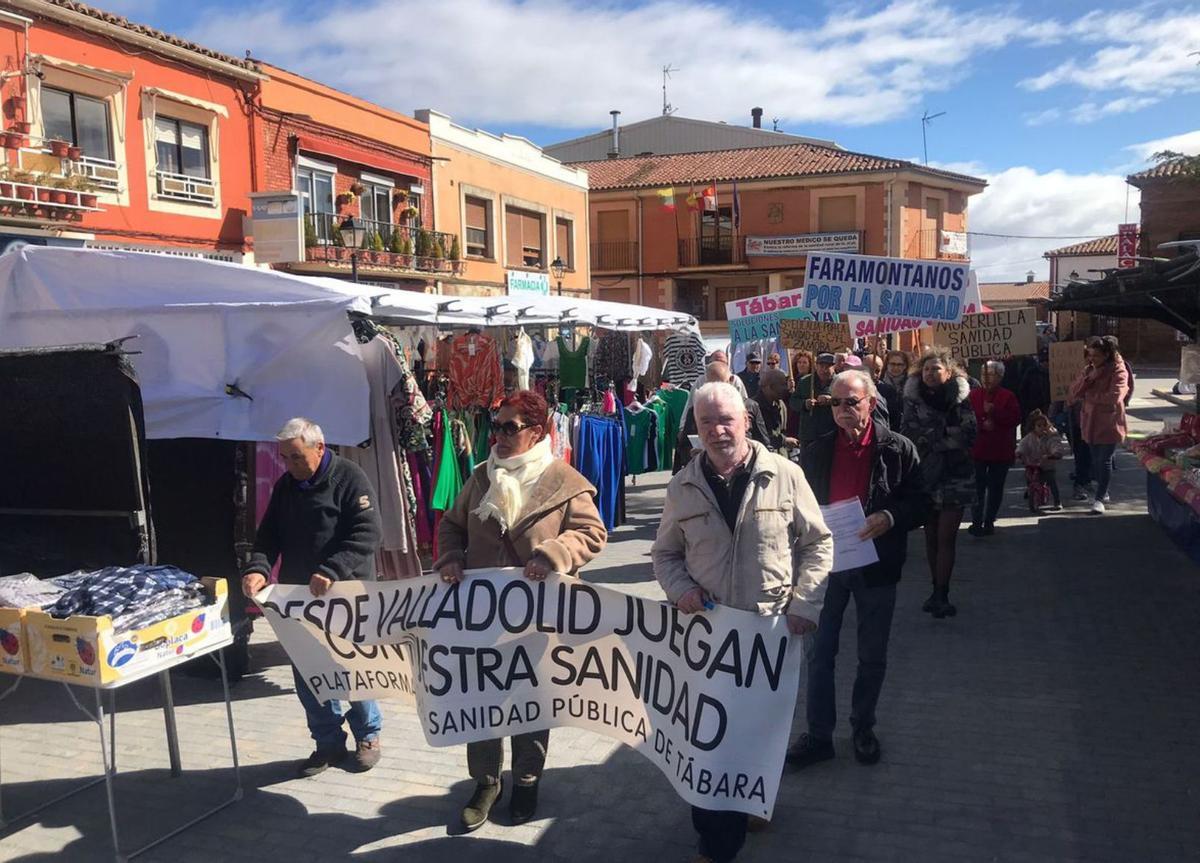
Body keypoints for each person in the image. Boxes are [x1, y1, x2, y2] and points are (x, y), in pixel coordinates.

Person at [653, 381, 832, 863]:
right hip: (707, 636)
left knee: (760, 732)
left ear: (746, 421)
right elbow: (665, 554)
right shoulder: (682, 485)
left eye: (726, 419)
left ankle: (754, 799)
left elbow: (818, 543)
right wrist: (681, 590)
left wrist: (805, 603)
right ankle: (715, 845)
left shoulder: (785, 474)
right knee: (709, 740)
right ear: (695, 427)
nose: (717, 429)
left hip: (768, 632)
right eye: (706, 421)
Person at [435, 390, 608, 830]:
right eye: (497, 425)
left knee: (531, 701)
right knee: (481, 698)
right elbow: (452, 524)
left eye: (510, 427)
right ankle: (486, 782)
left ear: (537, 431)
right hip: (482, 615)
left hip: (538, 618)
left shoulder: (565, 481)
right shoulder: (480, 478)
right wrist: (452, 556)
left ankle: (527, 779)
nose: (499, 435)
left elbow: (592, 533)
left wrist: (554, 553)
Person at [789, 370, 928, 770]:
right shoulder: (817, 450)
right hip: (826, 567)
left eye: (851, 402)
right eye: (835, 403)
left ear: (871, 402)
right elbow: (798, 507)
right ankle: (819, 736)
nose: (843, 410)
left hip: (876, 565)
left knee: (871, 654)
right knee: (820, 655)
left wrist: (890, 515)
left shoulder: (898, 449)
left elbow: (921, 501)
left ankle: (863, 727)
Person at [241, 418, 384, 777]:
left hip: (345, 595)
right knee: (309, 672)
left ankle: (368, 736)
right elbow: (268, 534)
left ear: (319, 448)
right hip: (299, 598)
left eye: (296, 457)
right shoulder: (287, 485)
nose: (290, 465)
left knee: (352, 668)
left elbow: (368, 532)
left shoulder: (350, 478)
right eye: (285, 458)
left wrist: (333, 569)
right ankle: (327, 742)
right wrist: (258, 567)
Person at [902, 348, 976, 618]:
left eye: (936, 369)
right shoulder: (913, 399)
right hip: (926, 476)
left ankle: (943, 592)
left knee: (947, 537)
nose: (931, 374)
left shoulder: (961, 399)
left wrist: (933, 437)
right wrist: (944, 434)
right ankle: (935, 589)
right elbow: (908, 433)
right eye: (927, 369)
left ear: (948, 373)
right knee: (931, 537)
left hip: (956, 476)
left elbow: (969, 434)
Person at [1068, 335, 1129, 515]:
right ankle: (1103, 488)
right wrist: (1088, 379)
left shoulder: (1119, 370)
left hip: (1109, 422)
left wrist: (1090, 397)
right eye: (1090, 355)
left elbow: (1114, 397)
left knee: (1104, 460)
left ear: (1106, 355)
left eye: (1095, 356)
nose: (1091, 359)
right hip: (1089, 421)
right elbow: (1074, 392)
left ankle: (1100, 498)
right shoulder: (1088, 370)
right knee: (1095, 460)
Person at [967, 360, 1022, 537]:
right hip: (978, 449)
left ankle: (989, 520)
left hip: (1001, 450)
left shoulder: (1008, 396)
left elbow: (1015, 419)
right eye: (984, 375)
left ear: (1000, 376)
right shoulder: (974, 395)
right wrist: (982, 423)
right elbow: (967, 419)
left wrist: (996, 413)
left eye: (991, 375)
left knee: (996, 487)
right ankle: (976, 521)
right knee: (977, 487)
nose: (987, 379)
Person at [1017, 409, 1066, 511]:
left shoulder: (1050, 437)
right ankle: (1031, 491)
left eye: (1044, 425)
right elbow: (1023, 445)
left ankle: (1057, 501)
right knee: (1028, 477)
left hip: (1046, 464)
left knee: (1051, 481)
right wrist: (1019, 453)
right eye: (1039, 426)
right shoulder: (1029, 438)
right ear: (1033, 427)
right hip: (1033, 464)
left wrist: (1054, 454)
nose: (1042, 428)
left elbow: (1055, 445)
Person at [791, 352, 837, 446]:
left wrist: (832, 401)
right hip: (809, 434)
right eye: (821, 366)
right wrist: (804, 404)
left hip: (831, 433)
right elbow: (793, 402)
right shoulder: (805, 381)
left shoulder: (840, 382)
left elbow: (847, 402)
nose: (824, 370)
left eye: (827, 366)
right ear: (816, 366)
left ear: (834, 367)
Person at [754, 367, 799, 452]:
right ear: (770, 387)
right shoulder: (754, 407)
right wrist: (783, 440)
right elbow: (758, 439)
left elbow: (783, 431)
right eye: (783, 385)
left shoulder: (781, 405)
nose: (786, 388)